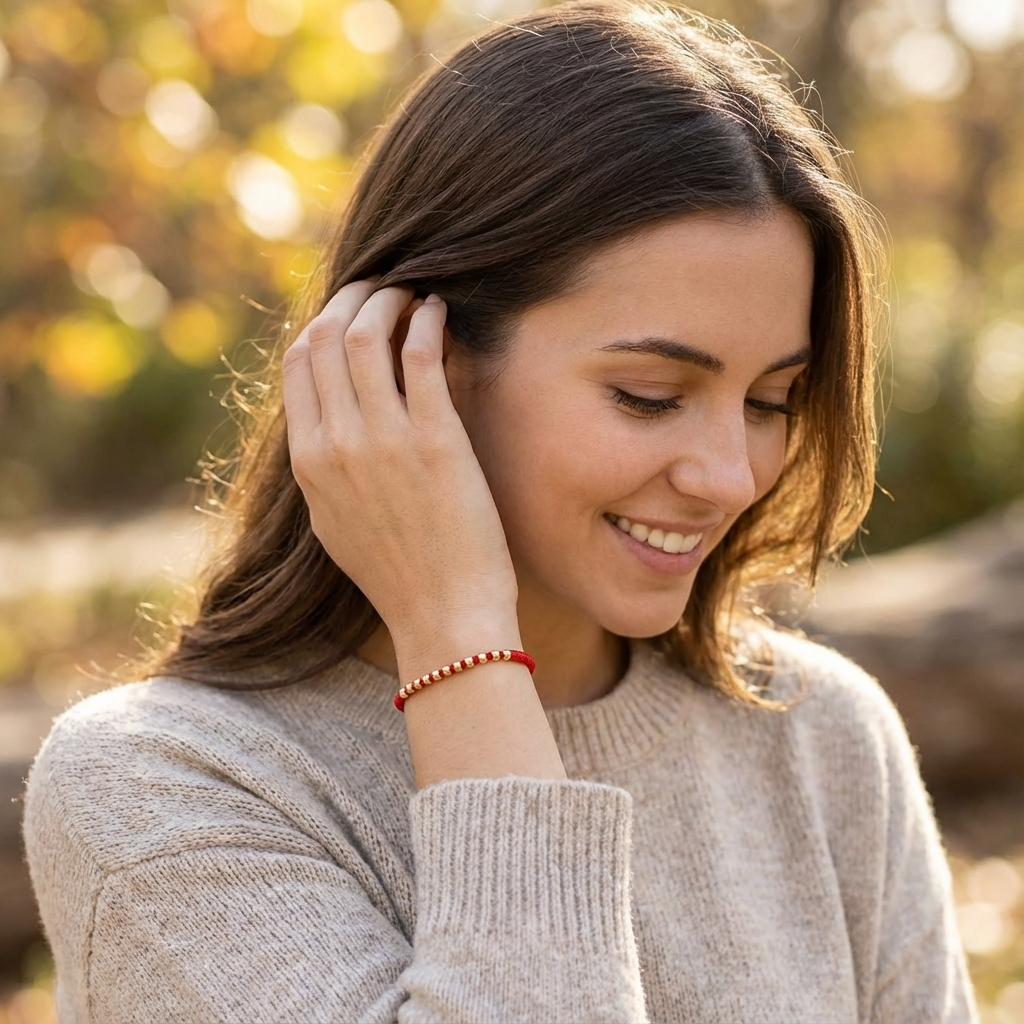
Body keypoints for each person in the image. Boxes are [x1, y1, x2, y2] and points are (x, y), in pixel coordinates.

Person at [24, 2, 976, 1021]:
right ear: (413, 363)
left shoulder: (822, 741)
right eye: (649, 394)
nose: (728, 476)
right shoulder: (162, 787)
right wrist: (459, 634)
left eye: (767, 402)